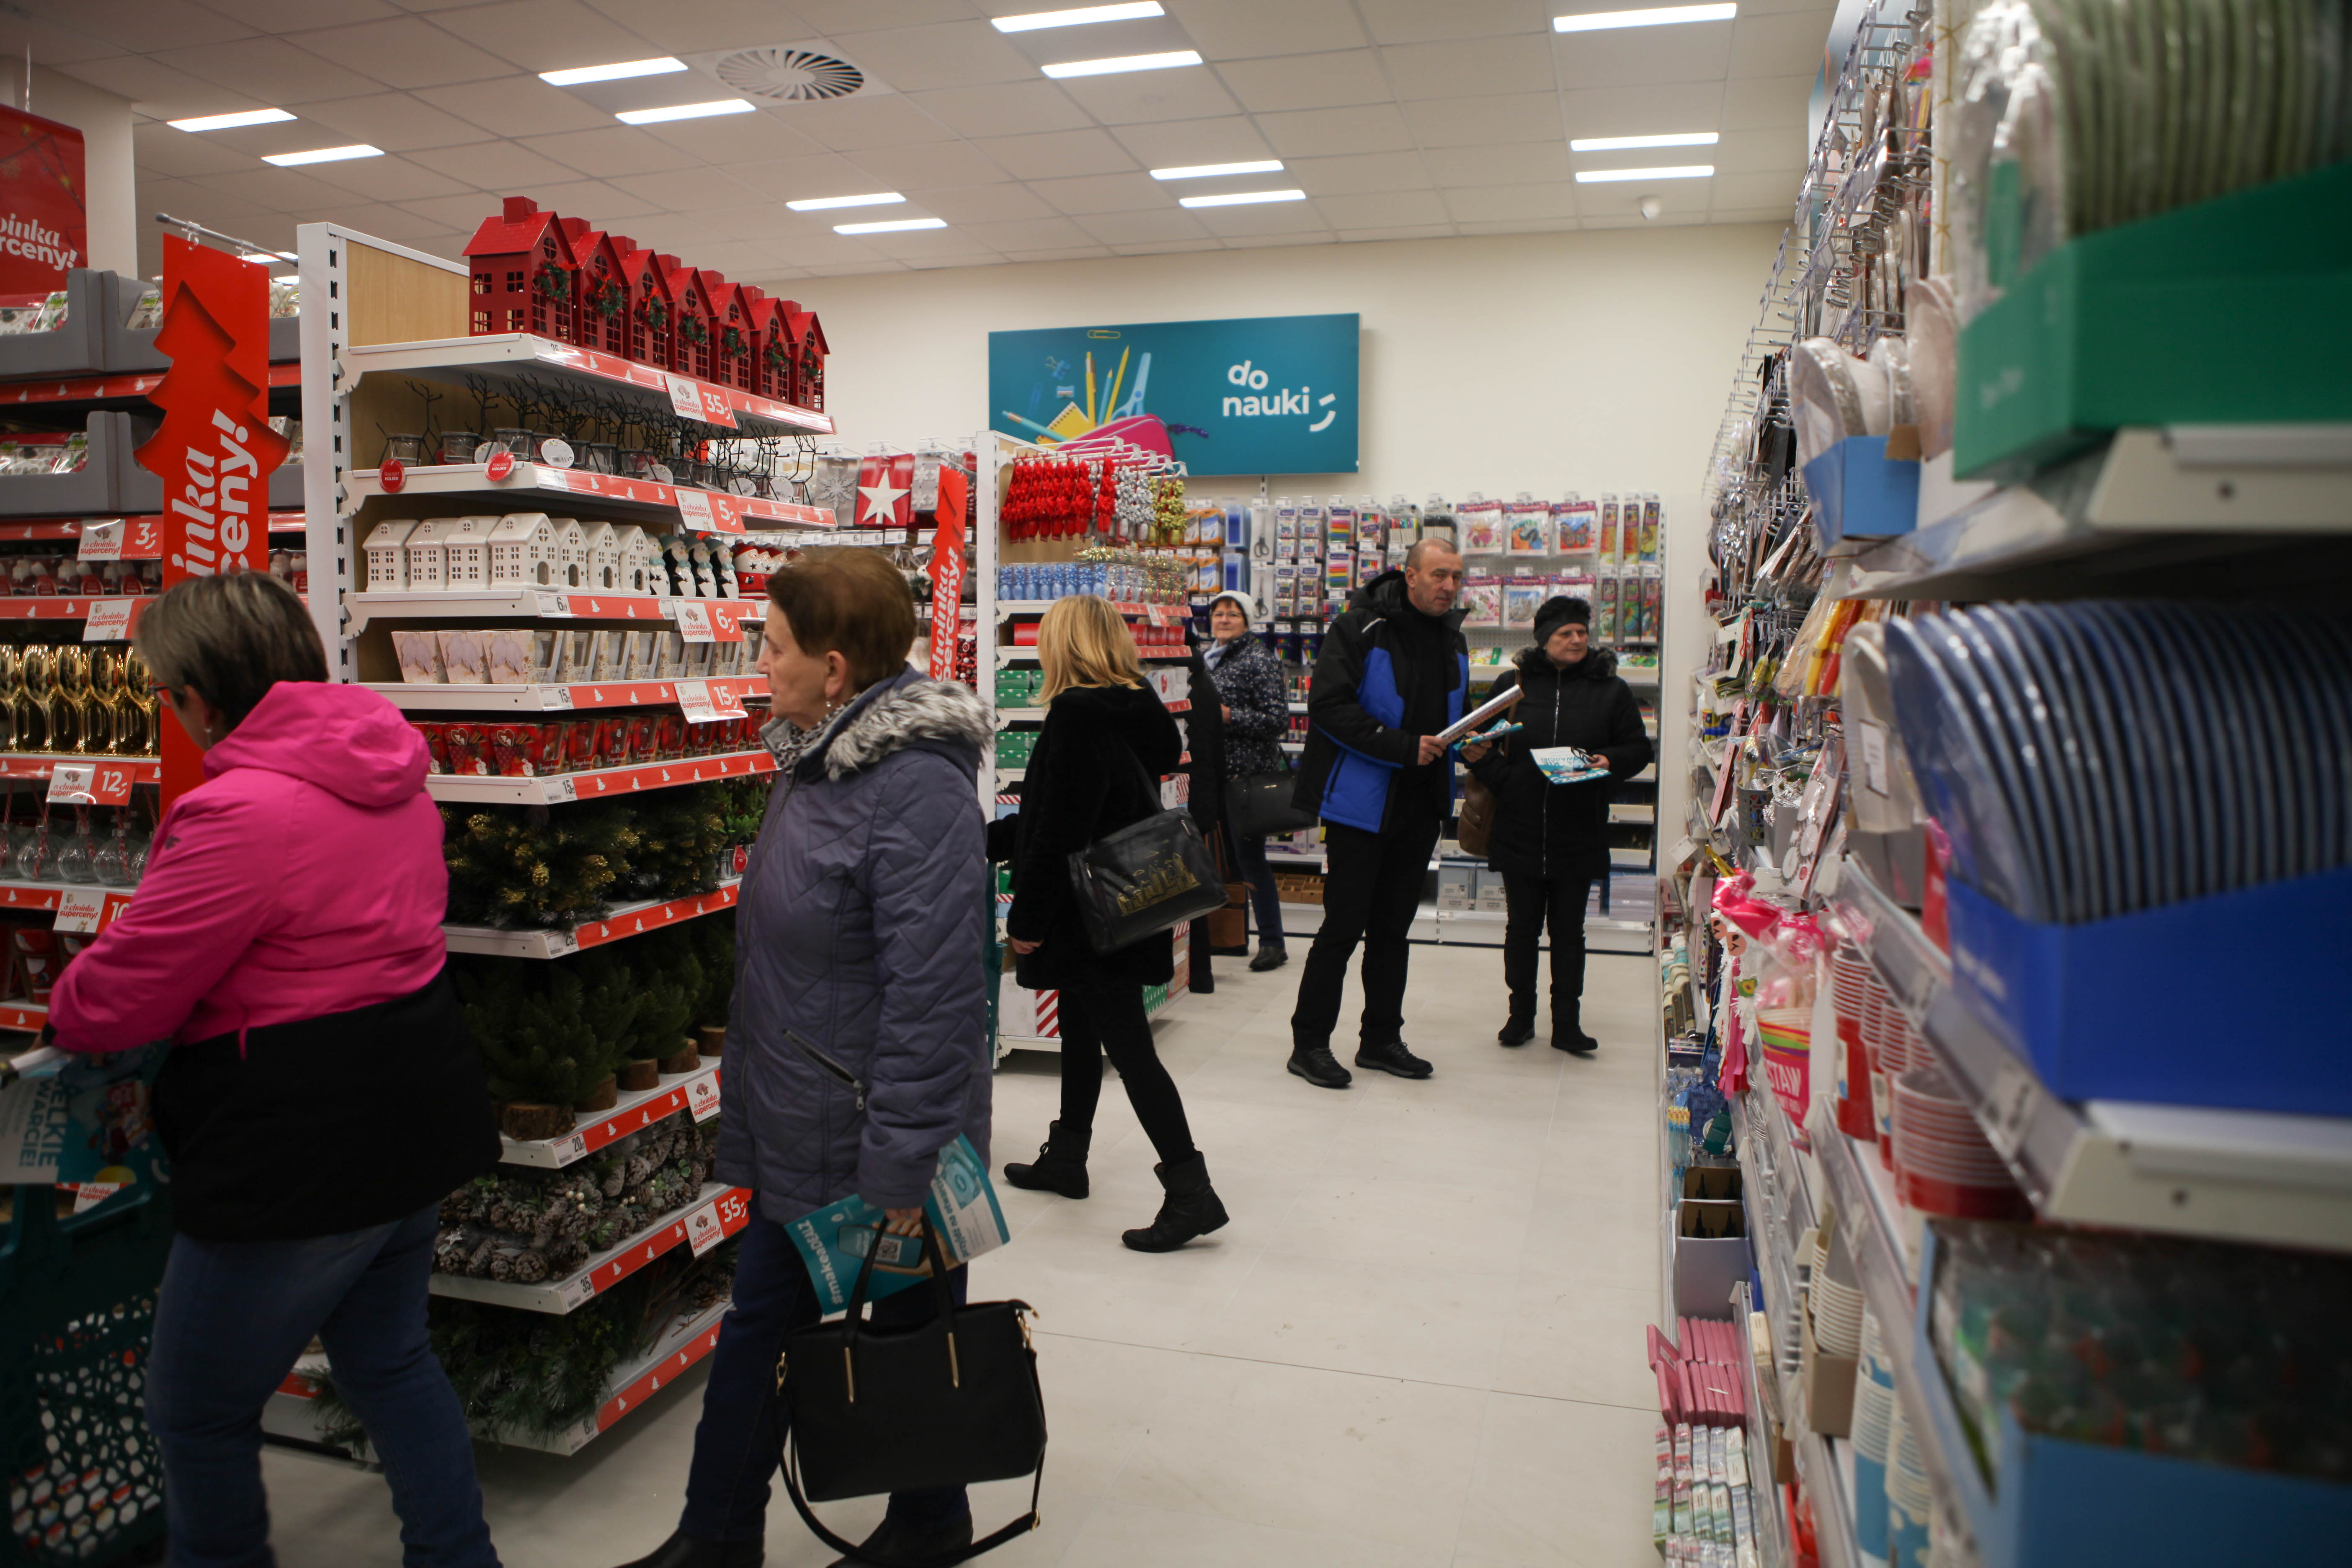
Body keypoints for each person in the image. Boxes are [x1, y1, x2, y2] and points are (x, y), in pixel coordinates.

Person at [45, 572, 503, 1568]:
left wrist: (68, 1000)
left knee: (196, 1407)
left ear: (203, 697)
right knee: (391, 1362)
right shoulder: (391, 774)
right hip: (414, 1112)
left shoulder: (242, 812)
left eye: (169, 694)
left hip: (298, 1147)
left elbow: (122, 998)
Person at [615, 549, 993, 1568]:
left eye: (772, 645)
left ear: (833, 669)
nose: (759, 661)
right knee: (798, 1326)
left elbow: (937, 990)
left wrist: (904, 1158)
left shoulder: (913, 788)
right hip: (809, 1111)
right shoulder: (818, 762)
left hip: (872, 1130)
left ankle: (902, 1521)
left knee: (892, 1328)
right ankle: (737, 1529)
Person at [991, 594, 1228, 1252]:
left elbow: (1060, 829)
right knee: (1080, 1028)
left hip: (1085, 910)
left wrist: (1028, 917)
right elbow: (1074, 810)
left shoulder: (1077, 713)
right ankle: (1067, 1157)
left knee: (1130, 1051)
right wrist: (981, 837)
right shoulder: (1134, 710)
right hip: (1123, 903)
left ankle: (1192, 1192)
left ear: (1063, 645)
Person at [1286, 539, 1469, 1089]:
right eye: (1439, 575)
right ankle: (1309, 1045)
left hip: (1421, 806)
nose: (1449, 587)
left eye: (1457, 577)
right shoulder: (1358, 628)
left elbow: (1452, 716)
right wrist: (1402, 747)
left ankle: (1381, 1040)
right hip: (1360, 806)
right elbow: (1328, 707)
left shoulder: (1453, 639)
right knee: (1342, 928)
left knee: (1393, 931)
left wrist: (1475, 741)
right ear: (1409, 575)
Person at [1463, 596, 1653, 1053]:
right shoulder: (1512, 686)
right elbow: (1474, 742)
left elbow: (1638, 749)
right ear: (1543, 639)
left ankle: (1567, 1023)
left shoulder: (1611, 689)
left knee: (1569, 933)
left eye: (1582, 632)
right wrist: (1505, 780)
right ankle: (1520, 1018)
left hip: (1579, 828)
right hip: (1519, 827)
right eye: (1565, 633)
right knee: (1521, 930)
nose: (1576, 640)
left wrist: (1609, 761)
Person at [1202, 590, 1292, 972]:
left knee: (1251, 861)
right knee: (1220, 861)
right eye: (1218, 613)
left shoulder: (1258, 659)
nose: (1223, 620)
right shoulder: (1210, 659)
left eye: (1233, 614)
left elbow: (1277, 720)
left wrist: (1229, 716)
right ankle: (1230, 937)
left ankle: (1272, 942)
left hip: (1246, 779)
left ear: (1247, 621)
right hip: (1214, 774)